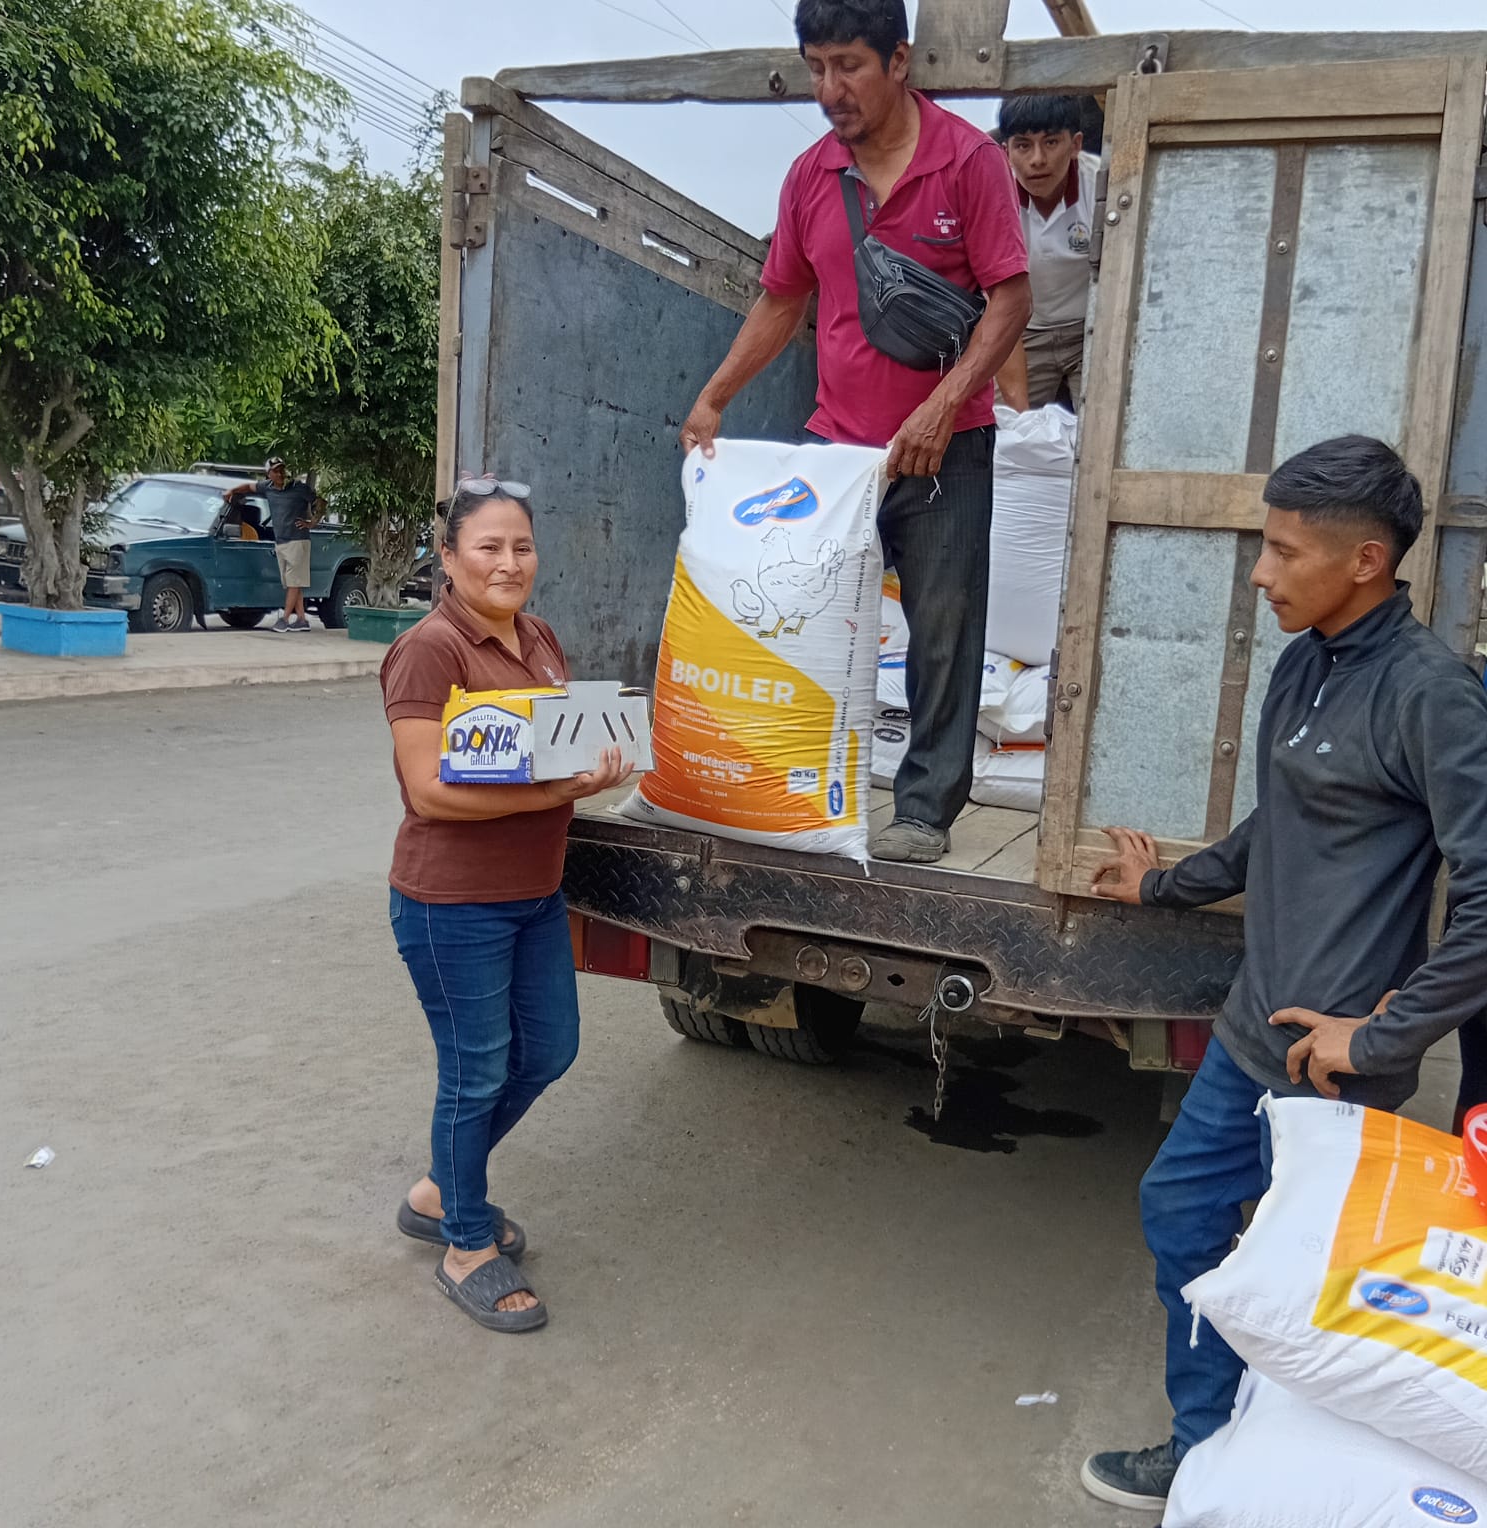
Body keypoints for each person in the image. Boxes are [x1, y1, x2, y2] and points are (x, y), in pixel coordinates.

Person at [1081, 436, 1487, 1511]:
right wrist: (1165, 886)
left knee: (1303, 1285)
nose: (1261, 573)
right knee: (1185, 1214)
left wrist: (1384, 1035)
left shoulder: (1431, 695)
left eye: (1282, 551)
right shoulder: (1310, 659)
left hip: (1327, 1064)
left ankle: (1264, 1483)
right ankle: (1211, 1450)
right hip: (1250, 1027)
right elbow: (1282, 821)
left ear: (1365, 561)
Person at [679, 0, 1031, 864]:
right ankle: (792, 780)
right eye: (817, 68)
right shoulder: (810, 175)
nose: (830, 88)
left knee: (943, 627)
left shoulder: (968, 161)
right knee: (803, 612)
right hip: (837, 449)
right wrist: (715, 396)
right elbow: (782, 298)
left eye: (849, 65)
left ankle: (923, 811)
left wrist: (942, 406)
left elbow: (1012, 299)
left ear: (898, 61)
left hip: (950, 448)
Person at [379, 477, 632, 1332]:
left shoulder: (540, 637)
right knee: (476, 1071)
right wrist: (556, 793)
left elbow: (548, 749)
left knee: (550, 1050)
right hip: (452, 903)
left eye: (521, 547)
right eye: (488, 547)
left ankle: (438, 1190)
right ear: (448, 558)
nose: (508, 563)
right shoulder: (428, 650)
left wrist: (594, 767)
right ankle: (464, 1246)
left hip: (533, 893)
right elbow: (429, 790)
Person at [993, 95, 1097, 413]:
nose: (1037, 159)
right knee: (1002, 428)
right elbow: (993, 301)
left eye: (1051, 142)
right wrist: (1019, 415)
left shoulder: (1104, 185)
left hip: (1092, 329)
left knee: (1104, 428)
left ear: (1075, 144)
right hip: (1022, 333)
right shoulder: (991, 195)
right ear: (1006, 152)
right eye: (1023, 146)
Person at [224, 456, 323, 631]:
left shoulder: (298, 488)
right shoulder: (267, 487)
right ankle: (301, 619)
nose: (280, 474)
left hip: (297, 540)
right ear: (268, 474)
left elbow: (320, 502)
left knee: (293, 582)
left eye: (282, 470)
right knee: (293, 583)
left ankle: (284, 619)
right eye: (276, 471)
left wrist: (312, 522)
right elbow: (249, 487)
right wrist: (232, 490)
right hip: (281, 541)